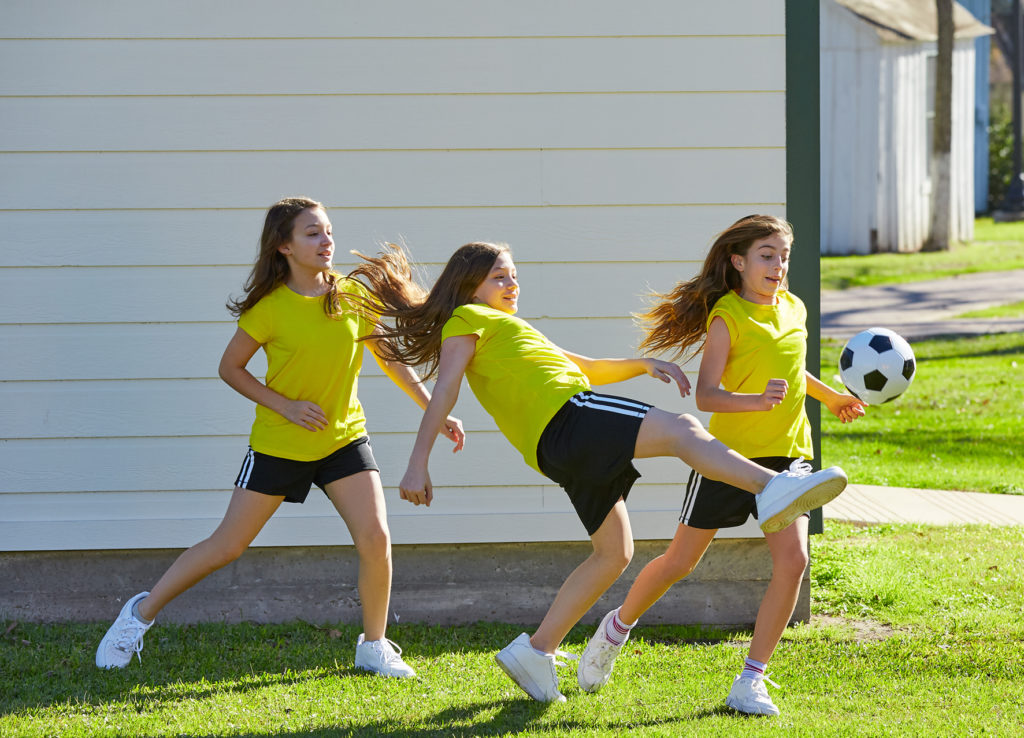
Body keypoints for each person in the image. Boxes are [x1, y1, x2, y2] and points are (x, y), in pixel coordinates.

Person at [346, 240, 848, 702]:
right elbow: (449, 390)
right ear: (468, 286)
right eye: (500, 277)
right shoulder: (468, 321)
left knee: (614, 553)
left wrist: (640, 365)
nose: (513, 284)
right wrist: (417, 463)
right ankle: (773, 487)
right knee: (684, 431)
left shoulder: (507, 328)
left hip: (555, 446)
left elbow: (580, 365)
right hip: (571, 417)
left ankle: (537, 651)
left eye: (515, 275)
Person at [95, 197, 464, 677]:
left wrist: (431, 406)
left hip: (343, 441)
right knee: (226, 547)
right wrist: (285, 405)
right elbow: (230, 368)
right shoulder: (269, 309)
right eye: (312, 233)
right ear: (284, 246)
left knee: (376, 539)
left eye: (328, 231)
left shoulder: (353, 295)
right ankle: (137, 616)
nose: (326, 241)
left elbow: (389, 358)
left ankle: (374, 645)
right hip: (279, 445)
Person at [576, 214, 866, 716]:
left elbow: (792, 368)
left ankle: (751, 680)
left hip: (790, 455)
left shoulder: (793, 308)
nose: (777, 265)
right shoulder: (727, 317)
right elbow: (708, 395)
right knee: (680, 562)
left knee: (794, 562)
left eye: (783, 256)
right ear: (739, 261)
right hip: (728, 460)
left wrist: (831, 398)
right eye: (766, 255)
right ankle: (616, 627)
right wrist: (755, 401)